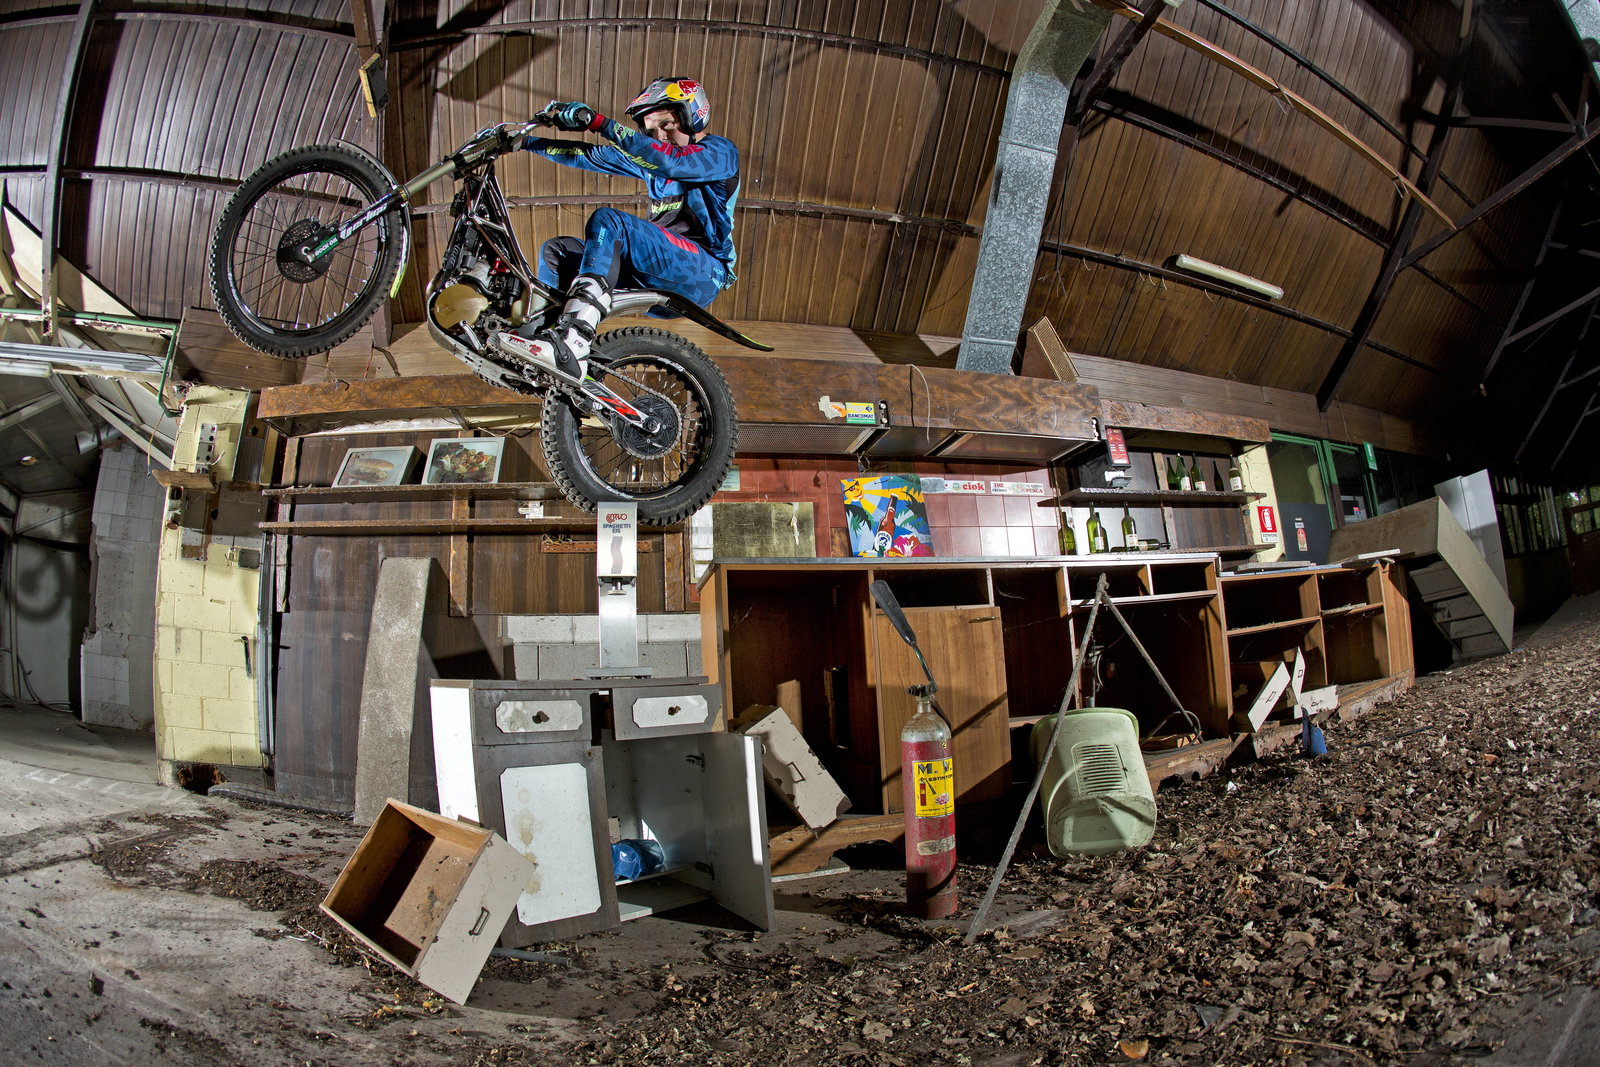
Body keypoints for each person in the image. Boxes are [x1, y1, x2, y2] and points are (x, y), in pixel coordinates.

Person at [497, 76, 740, 384]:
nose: (660, 136)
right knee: (557, 250)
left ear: (693, 115)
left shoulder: (720, 152)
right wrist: (526, 142)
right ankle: (542, 341)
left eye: (666, 125)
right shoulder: (654, 161)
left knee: (610, 221)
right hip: (658, 271)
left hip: (703, 272)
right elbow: (589, 156)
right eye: (651, 131)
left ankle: (575, 336)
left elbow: (670, 161)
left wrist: (600, 123)